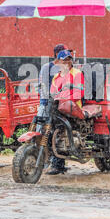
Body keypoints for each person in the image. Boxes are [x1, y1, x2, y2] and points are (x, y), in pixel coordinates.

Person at [37, 44, 70, 175]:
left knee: (60, 132)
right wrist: (46, 101)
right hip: (48, 104)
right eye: (63, 53)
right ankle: (45, 161)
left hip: (62, 105)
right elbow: (43, 85)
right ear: (57, 54)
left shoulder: (66, 68)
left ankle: (58, 164)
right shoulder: (47, 68)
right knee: (43, 132)